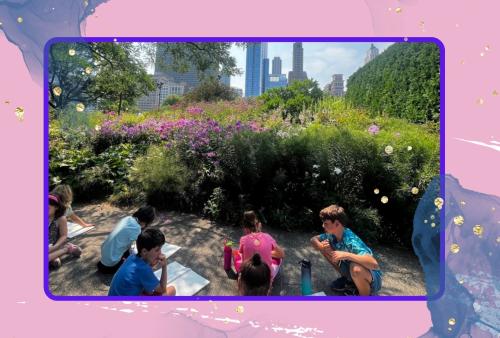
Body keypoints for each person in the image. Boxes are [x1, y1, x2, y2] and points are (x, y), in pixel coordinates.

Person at [310, 205, 382, 296]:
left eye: (326, 223)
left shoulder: (351, 240)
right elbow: (313, 239)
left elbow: (374, 264)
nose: (323, 225)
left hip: (372, 279)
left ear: (336, 223)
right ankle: (350, 280)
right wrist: (321, 246)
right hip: (352, 270)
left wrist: (346, 255)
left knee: (356, 268)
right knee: (325, 249)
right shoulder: (332, 234)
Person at [108, 228, 176, 296]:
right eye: (157, 250)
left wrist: (151, 264)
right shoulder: (144, 269)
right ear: (144, 251)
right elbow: (162, 289)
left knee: (150, 289)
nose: (160, 253)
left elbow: (141, 277)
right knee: (171, 290)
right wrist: (164, 266)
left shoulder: (132, 257)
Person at [98, 206, 156, 274]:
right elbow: (133, 252)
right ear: (147, 221)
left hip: (104, 259)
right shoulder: (136, 229)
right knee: (137, 254)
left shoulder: (128, 218)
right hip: (111, 265)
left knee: (129, 245)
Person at [236, 210, 284, 280]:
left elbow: (243, 261)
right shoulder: (268, 237)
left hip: (248, 278)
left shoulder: (243, 239)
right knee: (279, 259)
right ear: (259, 224)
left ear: (245, 228)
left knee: (237, 254)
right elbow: (282, 254)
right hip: (266, 279)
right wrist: (267, 252)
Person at [48, 194, 82, 268]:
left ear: (56, 207)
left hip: (55, 244)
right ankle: (54, 256)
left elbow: (64, 235)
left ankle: (66, 249)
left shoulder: (60, 219)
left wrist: (55, 246)